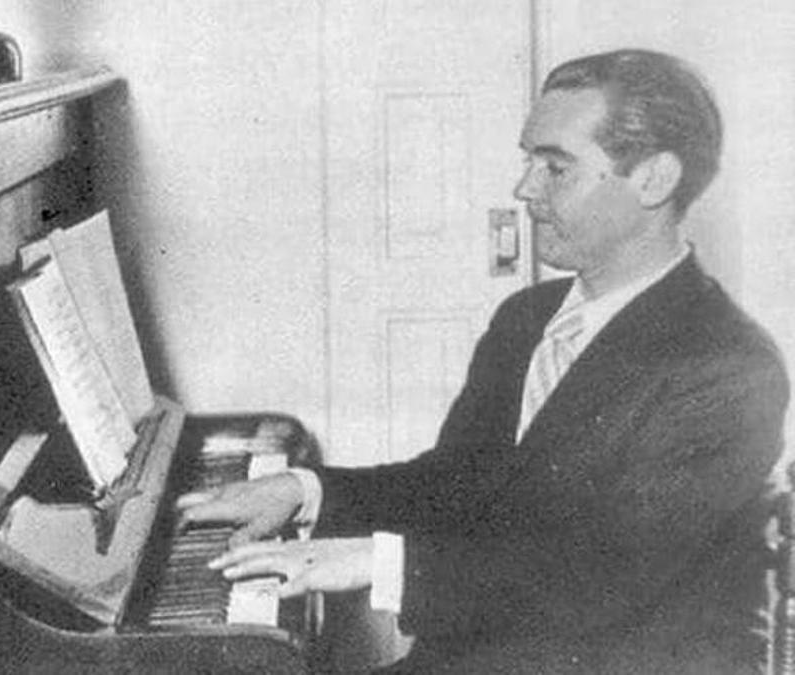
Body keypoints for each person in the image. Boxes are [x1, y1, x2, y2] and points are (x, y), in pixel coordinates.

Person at [177, 48, 790, 674]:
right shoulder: (527, 318)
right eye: (530, 161)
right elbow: (457, 483)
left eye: (556, 168)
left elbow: (602, 581)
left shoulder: (730, 369)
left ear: (654, 179)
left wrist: (372, 561)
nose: (524, 189)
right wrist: (305, 490)